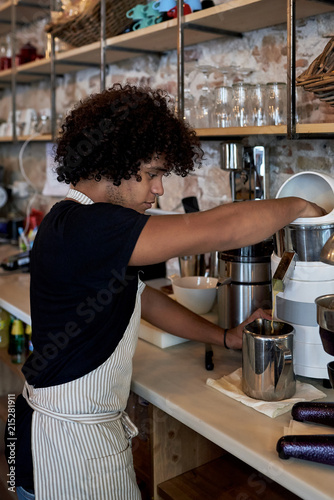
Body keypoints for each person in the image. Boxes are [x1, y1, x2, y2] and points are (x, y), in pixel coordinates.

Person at [6, 84, 326, 500]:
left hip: (50, 427)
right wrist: (300, 207)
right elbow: (214, 230)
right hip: (65, 444)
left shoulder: (75, 221)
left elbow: (143, 297)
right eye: (153, 173)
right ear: (114, 161)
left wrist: (224, 337)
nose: (158, 189)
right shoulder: (90, 227)